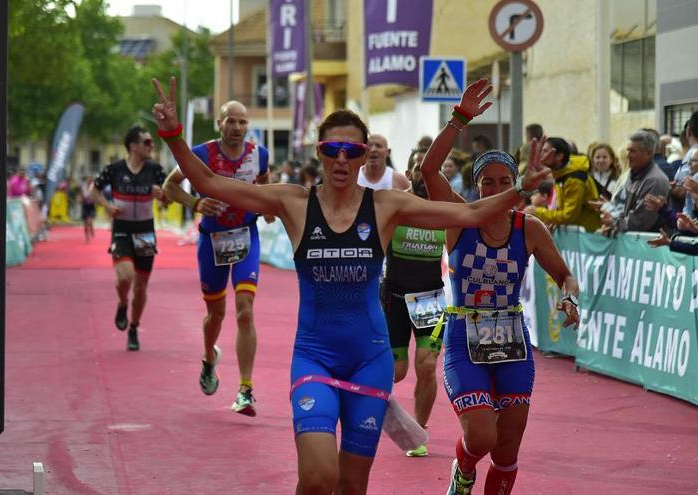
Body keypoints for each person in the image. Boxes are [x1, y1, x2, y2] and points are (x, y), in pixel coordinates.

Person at [150, 76, 550, 495]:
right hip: (315, 359)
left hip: (369, 361)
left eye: (352, 151)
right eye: (331, 150)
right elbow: (213, 183)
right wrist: (174, 136)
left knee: (352, 485)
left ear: (364, 157)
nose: (341, 159)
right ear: (318, 153)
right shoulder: (293, 202)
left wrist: (518, 186)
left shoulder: (385, 205)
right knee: (319, 477)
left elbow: (468, 216)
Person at [420, 85, 579, 495]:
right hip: (463, 336)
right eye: (487, 183)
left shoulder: (530, 228)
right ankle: (465, 467)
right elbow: (429, 171)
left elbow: (565, 274)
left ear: (515, 182)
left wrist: (569, 296)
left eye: (503, 181)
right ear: (476, 188)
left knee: (507, 448)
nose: (494, 189)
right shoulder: (460, 217)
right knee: (482, 437)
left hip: (512, 339)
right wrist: (459, 118)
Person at [161, 100, 270, 416]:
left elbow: (266, 188)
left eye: (242, 122)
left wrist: (269, 209)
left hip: (246, 237)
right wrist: (195, 205)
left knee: (245, 312)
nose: (237, 128)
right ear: (219, 124)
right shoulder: (201, 153)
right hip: (212, 241)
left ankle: (245, 389)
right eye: (231, 122)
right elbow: (169, 186)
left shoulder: (258, 156)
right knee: (216, 314)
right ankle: (209, 357)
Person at [380, 148, 446, 458]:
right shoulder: (395, 206)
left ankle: (418, 430)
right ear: (409, 174)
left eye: (429, 168)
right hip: (394, 298)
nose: (423, 173)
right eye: (418, 168)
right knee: (397, 372)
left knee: (428, 366)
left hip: (430, 300)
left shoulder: (445, 208)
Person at [91, 125, 166, 351]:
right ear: (133, 146)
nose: (151, 145)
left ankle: (133, 327)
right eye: (147, 142)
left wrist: (163, 196)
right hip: (122, 229)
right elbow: (92, 190)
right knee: (126, 276)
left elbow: (169, 199)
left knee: (141, 287)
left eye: (151, 142)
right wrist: (106, 205)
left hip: (145, 232)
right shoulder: (113, 169)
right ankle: (123, 302)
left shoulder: (156, 170)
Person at [523, 137, 602, 232]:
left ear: (559, 156)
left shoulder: (574, 179)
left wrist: (537, 212)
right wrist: (555, 220)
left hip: (588, 236)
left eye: (545, 151)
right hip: (576, 234)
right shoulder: (561, 174)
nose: (541, 155)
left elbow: (569, 216)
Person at [601, 130, 671, 234]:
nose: (628, 155)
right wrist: (611, 218)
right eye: (628, 150)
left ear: (648, 153)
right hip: (632, 244)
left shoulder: (655, 181)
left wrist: (614, 223)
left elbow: (640, 222)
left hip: (648, 246)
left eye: (633, 151)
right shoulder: (632, 174)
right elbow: (622, 208)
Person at [80, 175, 97, 242]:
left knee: (89, 221)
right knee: (85, 223)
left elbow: (96, 196)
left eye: (90, 180)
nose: (89, 181)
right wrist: (80, 199)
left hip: (91, 206)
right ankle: (87, 237)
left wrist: (92, 198)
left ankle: (91, 228)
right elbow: (80, 195)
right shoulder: (83, 187)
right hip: (85, 206)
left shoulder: (93, 187)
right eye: (88, 179)